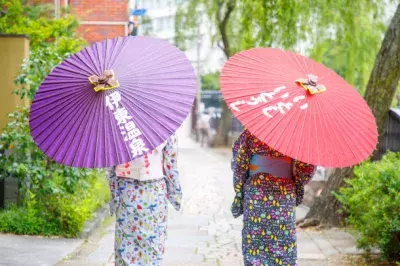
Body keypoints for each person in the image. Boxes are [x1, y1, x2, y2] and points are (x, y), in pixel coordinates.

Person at [231, 130, 315, 266]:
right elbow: (306, 168)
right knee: (283, 241)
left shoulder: (252, 134)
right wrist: (296, 180)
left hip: (256, 192)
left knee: (255, 240)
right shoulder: (296, 136)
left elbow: (239, 165)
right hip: (284, 193)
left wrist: (240, 189)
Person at [107, 134, 181, 266]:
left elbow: (110, 164)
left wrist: (114, 195)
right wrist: (175, 194)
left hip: (127, 191)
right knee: (152, 244)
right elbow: (170, 165)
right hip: (154, 191)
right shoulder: (163, 128)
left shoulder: (117, 126)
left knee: (126, 241)